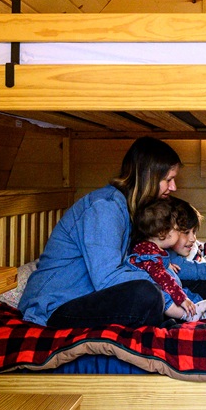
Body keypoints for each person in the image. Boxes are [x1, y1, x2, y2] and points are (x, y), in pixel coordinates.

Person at [17, 136, 182, 329]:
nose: (174, 187)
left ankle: (173, 315)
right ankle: (167, 320)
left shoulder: (130, 209)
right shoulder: (105, 208)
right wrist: (165, 284)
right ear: (148, 176)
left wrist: (169, 276)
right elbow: (108, 278)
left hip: (84, 295)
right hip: (54, 306)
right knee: (147, 293)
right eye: (168, 179)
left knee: (170, 280)